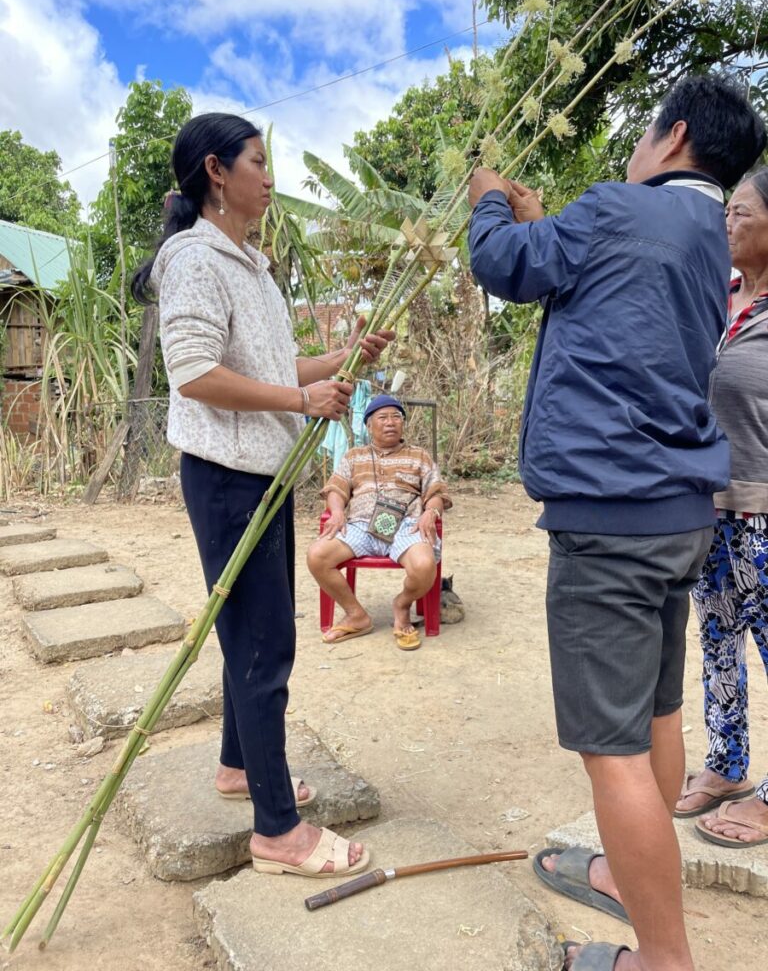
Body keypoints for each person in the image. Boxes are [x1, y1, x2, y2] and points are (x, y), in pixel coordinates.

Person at [467, 75, 766, 971]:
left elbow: (504, 266)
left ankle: (662, 960)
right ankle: (622, 873)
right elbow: (601, 272)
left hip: (610, 516)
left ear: (671, 136)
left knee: (613, 754)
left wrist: (490, 205)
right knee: (657, 714)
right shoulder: (705, 237)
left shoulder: (620, 211)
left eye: (643, 131)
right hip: (675, 514)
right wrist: (543, 217)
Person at [131, 112, 393, 879]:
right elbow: (195, 375)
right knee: (263, 645)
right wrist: (294, 401)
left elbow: (281, 365)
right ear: (217, 172)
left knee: (251, 633)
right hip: (225, 479)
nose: (270, 177)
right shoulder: (193, 260)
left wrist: (344, 358)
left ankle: (238, 769)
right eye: (257, 160)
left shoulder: (250, 264)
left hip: (263, 475)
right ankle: (278, 830)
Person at [673, 167, 768, 849]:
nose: (725, 223)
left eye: (739, 212)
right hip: (713, 505)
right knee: (717, 642)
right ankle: (727, 764)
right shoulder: (721, 295)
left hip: (766, 510)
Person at [307, 394, 451, 651]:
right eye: (382, 418)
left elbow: (436, 492)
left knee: (424, 564)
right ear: (369, 426)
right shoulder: (354, 456)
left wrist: (431, 512)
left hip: (407, 525)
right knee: (317, 555)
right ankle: (356, 615)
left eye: (396, 417)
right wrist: (337, 512)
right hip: (361, 525)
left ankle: (403, 604)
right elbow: (335, 489)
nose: (390, 423)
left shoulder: (419, 456)